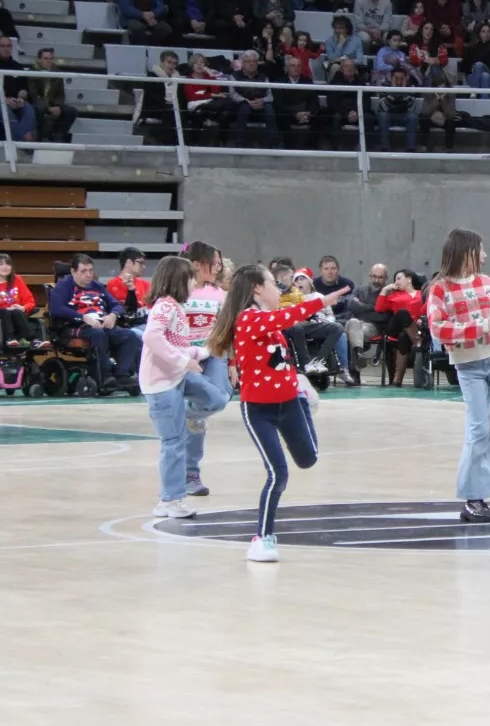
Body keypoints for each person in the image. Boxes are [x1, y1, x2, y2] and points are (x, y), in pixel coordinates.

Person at [207, 264, 347, 563]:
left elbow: (278, 360)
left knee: (309, 459)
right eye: (273, 283)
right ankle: (263, 538)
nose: (278, 290)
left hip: (290, 403)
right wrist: (321, 301)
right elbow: (285, 317)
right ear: (257, 288)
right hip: (259, 410)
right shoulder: (248, 319)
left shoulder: (267, 323)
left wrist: (299, 386)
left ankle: (305, 402)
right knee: (277, 473)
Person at [427, 228, 490, 524]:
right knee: (478, 430)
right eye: (481, 250)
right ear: (466, 252)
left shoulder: (486, 281)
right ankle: (474, 500)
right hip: (468, 366)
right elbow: (438, 330)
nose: (485, 256)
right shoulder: (439, 289)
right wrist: (479, 328)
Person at [138, 257, 231, 520]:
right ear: (179, 279)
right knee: (173, 442)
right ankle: (170, 500)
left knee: (217, 398)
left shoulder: (176, 308)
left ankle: (189, 416)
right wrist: (183, 361)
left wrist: (202, 352)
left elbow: (178, 344)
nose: (195, 282)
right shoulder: (164, 306)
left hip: (178, 377)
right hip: (161, 384)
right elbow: (151, 337)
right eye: (191, 277)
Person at [48, 252, 143, 393]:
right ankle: (103, 378)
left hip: (101, 324)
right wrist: (83, 318)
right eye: (83, 271)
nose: (88, 275)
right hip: (75, 326)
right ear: (73, 272)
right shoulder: (64, 286)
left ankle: (122, 376)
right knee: (99, 335)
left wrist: (113, 315)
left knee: (129, 335)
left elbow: (115, 304)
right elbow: (56, 308)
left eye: (91, 270)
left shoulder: (97, 286)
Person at [179, 241, 231, 497]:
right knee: (199, 418)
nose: (218, 268)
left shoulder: (220, 294)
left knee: (220, 399)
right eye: (214, 263)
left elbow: (226, 331)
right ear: (198, 265)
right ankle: (190, 473)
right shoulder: (177, 292)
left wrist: (232, 362)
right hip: (184, 359)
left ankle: (189, 413)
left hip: (213, 356)